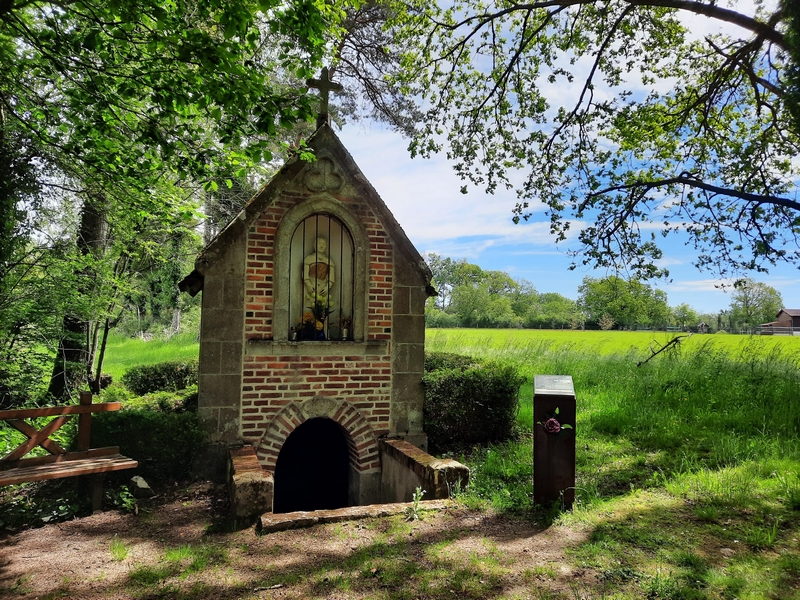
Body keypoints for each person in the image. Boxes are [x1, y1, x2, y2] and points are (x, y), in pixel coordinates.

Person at [303, 236, 336, 313]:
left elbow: (331, 275)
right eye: (319, 243)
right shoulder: (309, 258)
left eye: (324, 244)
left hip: (323, 287)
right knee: (309, 306)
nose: (321, 246)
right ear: (314, 245)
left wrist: (328, 286)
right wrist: (308, 284)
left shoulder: (328, 261)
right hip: (311, 286)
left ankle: (322, 324)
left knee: (322, 308)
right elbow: (305, 273)